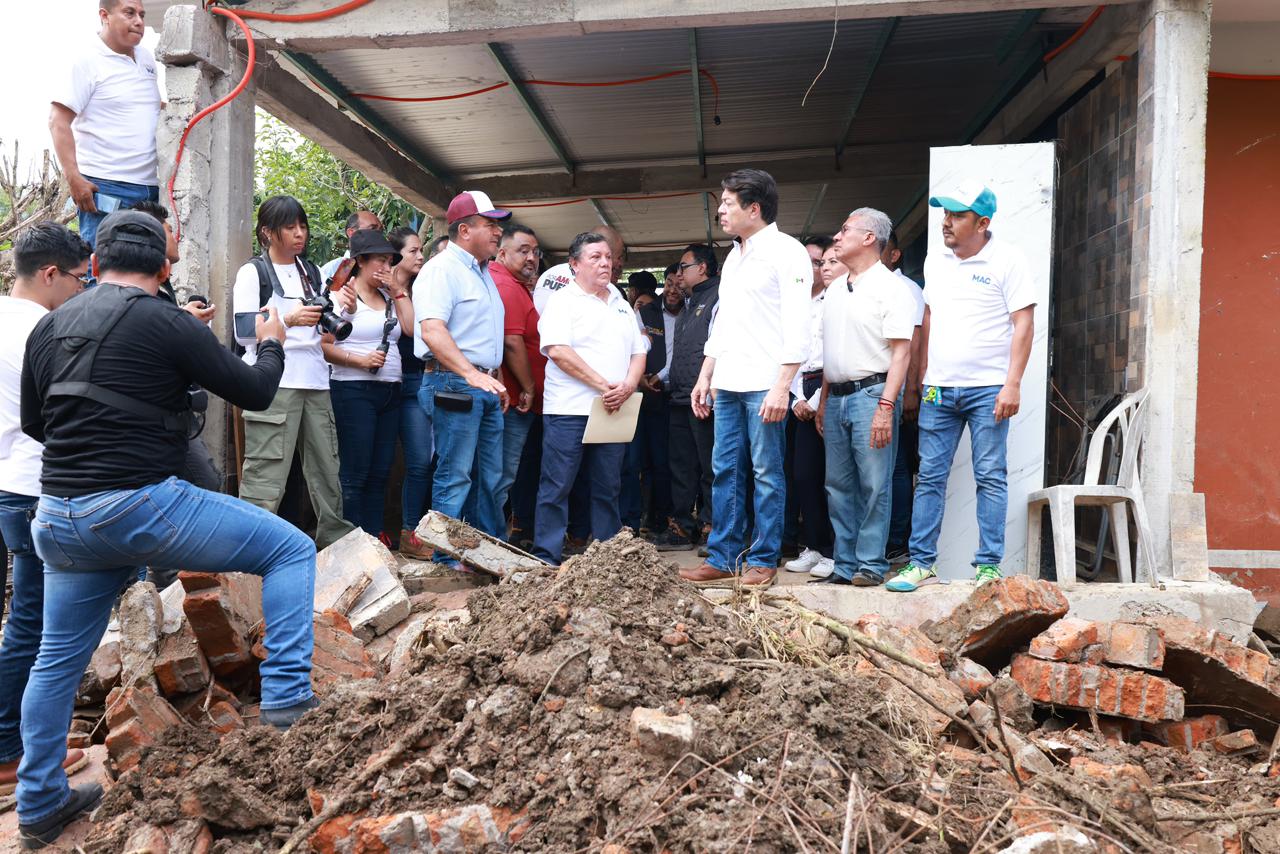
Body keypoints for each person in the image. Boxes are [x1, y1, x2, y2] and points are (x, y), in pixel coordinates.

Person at [16, 211, 317, 848]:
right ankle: (290, 704)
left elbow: (40, 426)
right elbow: (256, 393)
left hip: (59, 517)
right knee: (292, 548)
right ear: (164, 268)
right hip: (136, 505)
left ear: (94, 265)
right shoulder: (168, 320)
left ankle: (39, 800)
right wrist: (271, 339)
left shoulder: (48, 329)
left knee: (54, 660)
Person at [888, 182, 1036, 592]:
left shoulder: (1008, 259)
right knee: (931, 476)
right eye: (945, 214)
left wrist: (1013, 384)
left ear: (983, 223)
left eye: (957, 216)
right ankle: (921, 564)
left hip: (989, 388)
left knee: (990, 475)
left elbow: (1023, 323)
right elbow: (929, 320)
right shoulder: (937, 262)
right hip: (939, 388)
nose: (946, 222)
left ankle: (988, 566)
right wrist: (921, 377)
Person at [679, 170, 811, 588]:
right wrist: (706, 376)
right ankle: (723, 556)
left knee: (767, 472)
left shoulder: (787, 252)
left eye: (727, 203)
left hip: (764, 383)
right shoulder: (735, 257)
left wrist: (782, 385)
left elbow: (798, 324)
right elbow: (724, 325)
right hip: (729, 381)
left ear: (754, 209)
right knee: (724, 471)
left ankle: (763, 558)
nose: (720, 209)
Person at [0, 224, 92, 801]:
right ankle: (14, 751)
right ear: (51, 273)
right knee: (39, 626)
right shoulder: (45, 327)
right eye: (79, 278)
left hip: (7, 483)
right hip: (40, 485)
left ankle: (22, 740)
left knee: (26, 620)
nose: (82, 289)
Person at [233, 196, 355, 549]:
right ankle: (248, 551)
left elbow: (325, 331)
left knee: (326, 470)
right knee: (266, 473)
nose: (300, 234)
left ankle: (337, 546)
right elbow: (242, 331)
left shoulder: (311, 271)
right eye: (291, 227)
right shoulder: (252, 272)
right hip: (274, 381)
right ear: (268, 232)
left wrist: (343, 311)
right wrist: (287, 319)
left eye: (302, 226)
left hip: (316, 379)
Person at [532, 232, 647, 564]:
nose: (605, 263)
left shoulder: (621, 302)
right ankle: (547, 557)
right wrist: (603, 385)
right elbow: (557, 351)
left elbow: (638, 352)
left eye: (608, 257)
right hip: (569, 410)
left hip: (612, 409)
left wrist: (628, 384)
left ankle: (607, 559)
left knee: (608, 485)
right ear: (574, 264)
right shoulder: (562, 301)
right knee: (558, 485)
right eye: (595, 257)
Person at [817, 209, 916, 586]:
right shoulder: (836, 288)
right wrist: (824, 401)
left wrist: (886, 406)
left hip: (872, 394)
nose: (837, 238)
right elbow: (832, 352)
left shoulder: (891, 287)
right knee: (838, 485)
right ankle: (844, 566)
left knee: (874, 483)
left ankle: (871, 565)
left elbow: (901, 353)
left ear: (869, 238)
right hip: (839, 395)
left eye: (844, 231)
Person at [415, 191, 510, 554]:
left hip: (480, 383)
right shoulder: (441, 270)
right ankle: (445, 559)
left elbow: (479, 334)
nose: (498, 232)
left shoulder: (482, 272)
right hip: (453, 381)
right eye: (490, 224)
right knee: (455, 475)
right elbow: (432, 330)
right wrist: (473, 374)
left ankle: (487, 555)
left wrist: (492, 377)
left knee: (490, 478)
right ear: (465, 230)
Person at [49, 0, 161, 248]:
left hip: (150, 188)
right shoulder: (87, 60)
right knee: (102, 270)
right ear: (104, 16)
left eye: (141, 15)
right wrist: (74, 178)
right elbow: (58, 121)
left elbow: (143, 107)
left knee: (145, 270)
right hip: (107, 186)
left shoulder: (146, 59)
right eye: (129, 13)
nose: (139, 21)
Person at [128, 200, 221, 496]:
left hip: (175, 412)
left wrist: (185, 319)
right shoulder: (132, 294)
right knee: (204, 481)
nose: (175, 235)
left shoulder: (160, 287)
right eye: (169, 230)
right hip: (154, 418)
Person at [322, 230, 411, 538]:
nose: (386, 267)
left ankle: (373, 537)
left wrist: (399, 291)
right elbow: (323, 345)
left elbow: (411, 328)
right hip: (353, 390)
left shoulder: (389, 296)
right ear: (359, 261)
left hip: (390, 391)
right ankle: (350, 539)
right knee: (355, 471)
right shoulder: (342, 297)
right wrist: (359, 361)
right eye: (380, 260)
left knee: (380, 471)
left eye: (389, 261)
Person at [652, 244, 719, 551]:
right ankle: (681, 526)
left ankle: (711, 525)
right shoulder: (689, 304)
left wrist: (709, 388)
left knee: (710, 466)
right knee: (681, 465)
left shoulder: (719, 297)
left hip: (704, 398)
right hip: (678, 398)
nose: (678, 275)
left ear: (702, 268)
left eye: (683, 267)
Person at [783, 236, 836, 578]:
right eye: (808, 262)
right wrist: (797, 398)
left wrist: (817, 401)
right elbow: (786, 352)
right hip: (798, 388)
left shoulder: (839, 298)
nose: (814, 268)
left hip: (830, 388)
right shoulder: (794, 303)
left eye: (819, 262)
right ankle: (814, 546)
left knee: (834, 477)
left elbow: (838, 352)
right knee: (803, 475)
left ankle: (834, 550)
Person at [490, 223, 545, 540]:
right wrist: (528, 386)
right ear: (501, 253)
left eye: (535, 252)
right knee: (501, 475)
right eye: (523, 251)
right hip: (512, 399)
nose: (532, 258)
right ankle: (490, 540)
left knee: (500, 475)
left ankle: (492, 537)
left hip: (510, 398)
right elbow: (513, 342)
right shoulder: (508, 286)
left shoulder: (510, 284)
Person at [387, 226, 432, 558]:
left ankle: (412, 531)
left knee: (422, 461)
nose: (420, 256)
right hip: (388, 382)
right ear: (396, 255)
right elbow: (409, 329)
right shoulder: (380, 287)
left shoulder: (423, 287)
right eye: (413, 250)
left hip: (420, 379)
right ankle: (404, 531)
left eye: (421, 250)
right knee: (399, 463)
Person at [881, 229, 927, 562]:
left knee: (899, 468)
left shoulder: (907, 289)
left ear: (895, 255)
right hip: (881, 389)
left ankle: (897, 541)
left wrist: (911, 390)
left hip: (898, 391)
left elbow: (912, 344)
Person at [628, 269, 680, 534]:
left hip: (676, 395)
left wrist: (659, 376)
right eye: (669, 283)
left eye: (678, 285)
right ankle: (646, 519)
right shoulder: (647, 313)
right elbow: (635, 346)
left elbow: (680, 354)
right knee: (642, 460)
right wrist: (640, 379)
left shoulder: (691, 314)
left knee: (668, 461)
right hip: (645, 396)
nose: (673, 289)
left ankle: (666, 518)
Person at [319, 210, 383, 282]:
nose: (378, 235)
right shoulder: (331, 270)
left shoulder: (385, 268)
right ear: (351, 233)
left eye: (380, 230)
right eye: (373, 229)